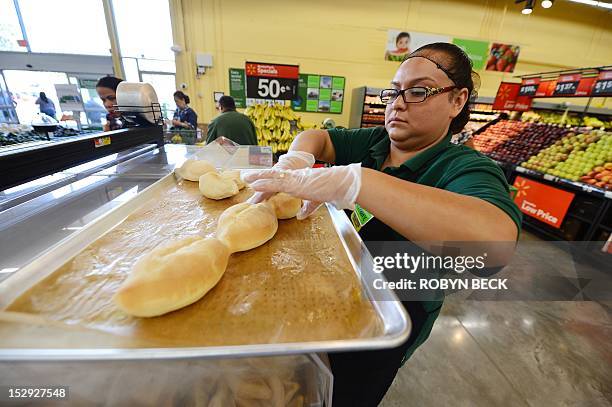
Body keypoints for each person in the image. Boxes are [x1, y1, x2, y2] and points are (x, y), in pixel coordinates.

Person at [244, 43, 522, 406]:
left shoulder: (464, 168)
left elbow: (494, 246)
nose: (398, 103)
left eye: (418, 91)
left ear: (457, 101)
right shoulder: (374, 142)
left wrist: (359, 183)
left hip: (388, 319)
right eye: (393, 91)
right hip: (330, 295)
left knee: (347, 394)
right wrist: (297, 156)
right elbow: (319, 138)